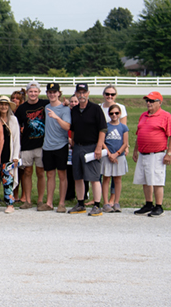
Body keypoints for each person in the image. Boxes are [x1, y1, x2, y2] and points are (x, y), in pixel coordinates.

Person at [50, 84, 107, 216]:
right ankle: (80, 203)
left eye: (84, 92)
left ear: (88, 93)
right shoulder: (74, 110)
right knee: (78, 177)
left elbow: (103, 129)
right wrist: (73, 142)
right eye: (79, 92)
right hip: (78, 147)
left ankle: (97, 205)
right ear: (76, 93)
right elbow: (73, 128)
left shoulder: (95, 109)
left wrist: (99, 147)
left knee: (93, 177)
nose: (82, 95)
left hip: (92, 146)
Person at [132, 92, 171, 217]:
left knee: (157, 180)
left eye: (151, 101)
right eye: (147, 101)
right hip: (143, 153)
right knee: (145, 180)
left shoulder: (165, 116)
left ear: (159, 102)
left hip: (157, 154)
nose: (148, 103)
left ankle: (159, 206)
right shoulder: (143, 116)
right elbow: (139, 134)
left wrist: (169, 153)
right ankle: (148, 204)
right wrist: (135, 150)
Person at [14, 81, 48, 209]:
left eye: (35, 91)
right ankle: (27, 200)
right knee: (27, 172)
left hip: (41, 144)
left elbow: (58, 106)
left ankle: (40, 200)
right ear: (27, 93)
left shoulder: (45, 104)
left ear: (39, 92)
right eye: (30, 91)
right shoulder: (22, 108)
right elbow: (17, 126)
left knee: (40, 172)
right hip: (27, 144)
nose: (33, 94)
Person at [39, 83, 70, 212]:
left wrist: (57, 117)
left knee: (62, 175)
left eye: (54, 92)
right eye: (50, 92)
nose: (52, 94)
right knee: (50, 175)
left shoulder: (65, 109)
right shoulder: (46, 107)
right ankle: (49, 202)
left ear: (59, 93)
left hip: (61, 145)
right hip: (47, 146)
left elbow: (67, 127)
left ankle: (61, 203)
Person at [101, 104, 129, 213]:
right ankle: (106, 203)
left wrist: (116, 154)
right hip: (107, 156)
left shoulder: (123, 127)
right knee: (106, 178)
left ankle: (116, 202)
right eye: (112, 113)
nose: (114, 115)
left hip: (119, 157)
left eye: (116, 113)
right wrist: (109, 154)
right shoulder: (106, 126)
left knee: (117, 179)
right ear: (109, 114)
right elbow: (102, 142)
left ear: (120, 114)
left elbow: (125, 143)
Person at [0, 96, 21, 214]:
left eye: (6, 105)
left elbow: (16, 139)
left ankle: (10, 203)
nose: (3, 107)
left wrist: (16, 156)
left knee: (7, 180)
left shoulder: (13, 120)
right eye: (1, 104)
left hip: (8, 153)